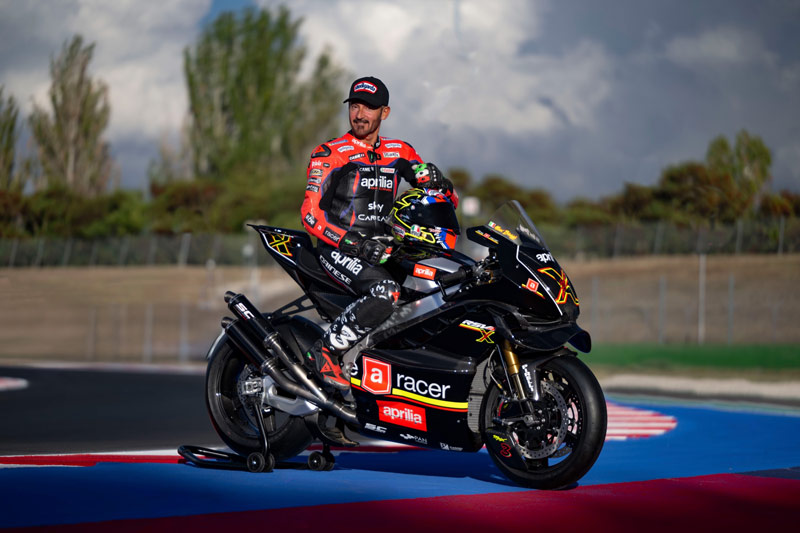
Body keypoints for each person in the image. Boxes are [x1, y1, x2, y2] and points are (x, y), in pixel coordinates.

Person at [301, 76, 458, 391]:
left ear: (384, 112)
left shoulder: (401, 151)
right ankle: (325, 350)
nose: (359, 114)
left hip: (387, 248)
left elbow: (445, 200)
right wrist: (354, 244)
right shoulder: (329, 153)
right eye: (354, 106)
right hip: (339, 248)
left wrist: (441, 183)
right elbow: (310, 214)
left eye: (369, 108)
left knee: (442, 286)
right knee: (385, 291)